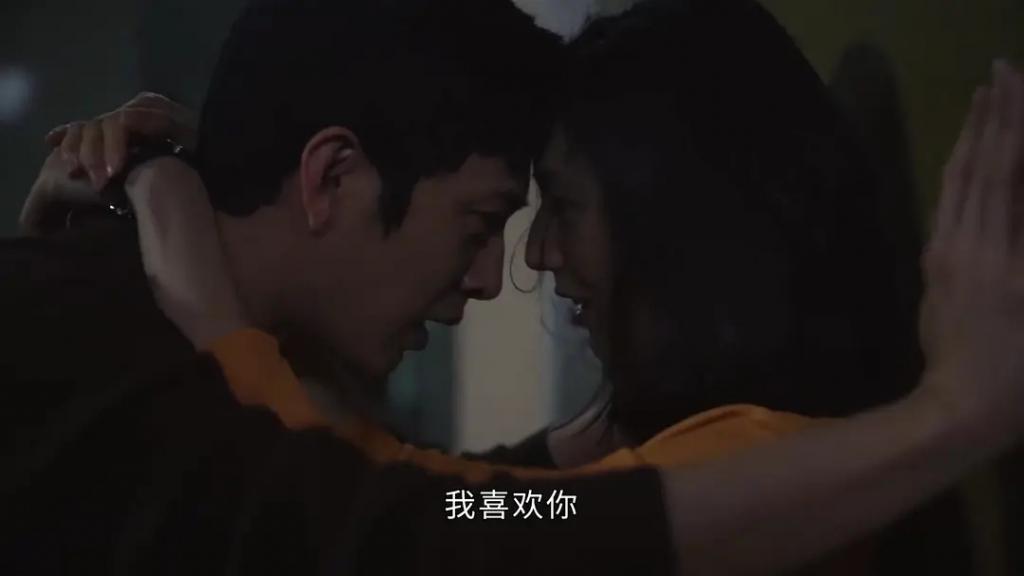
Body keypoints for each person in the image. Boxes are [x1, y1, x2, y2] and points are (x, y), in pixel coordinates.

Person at [8, 0, 1024, 574]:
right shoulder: (102, 357)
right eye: (484, 220)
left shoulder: (769, 463)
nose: (512, 271)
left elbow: (444, 519)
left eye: (555, 211)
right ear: (329, 177)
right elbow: (431, 515)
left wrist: (185, 248)